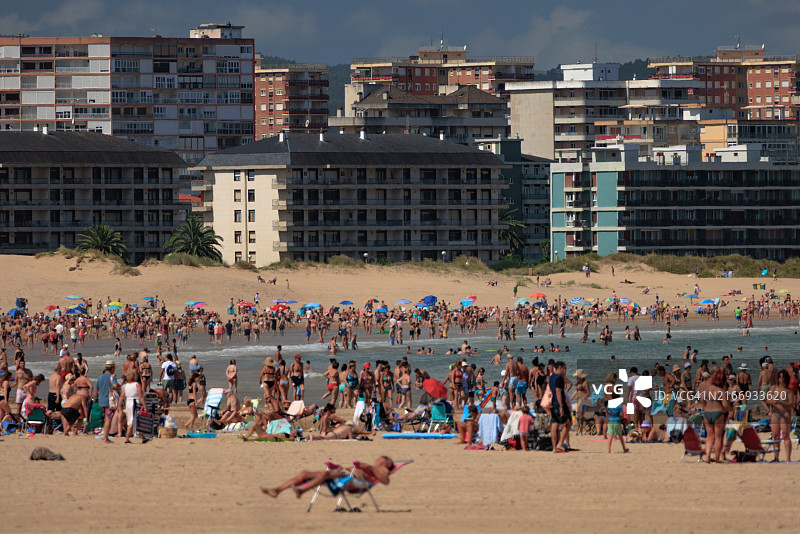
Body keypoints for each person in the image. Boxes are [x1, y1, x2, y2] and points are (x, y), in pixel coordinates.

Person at [260, 456, 394, 499]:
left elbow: (386, 481)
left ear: (387, 463)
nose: (377, 459)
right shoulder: (375, 466)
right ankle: (276, 490)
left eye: (381, 459)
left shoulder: (381, 469)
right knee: (304, 474)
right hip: (344, 474)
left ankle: (302, 491)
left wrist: (369, 467)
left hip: (356, 482)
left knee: (324, 475)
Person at [93, 360, 119, 443]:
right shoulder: (112, 376)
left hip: (101, 400)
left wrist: (94, 398)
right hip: (109, 400)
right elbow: (115, 385)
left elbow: (96, 390)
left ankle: (105, 436)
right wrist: (119, 386)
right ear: (112, 368)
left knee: (106, 419)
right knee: (108, 419)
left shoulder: (100, 377)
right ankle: (105, 438)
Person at [119, 371, 148, 444]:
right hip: (135, 403)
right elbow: (141, 396)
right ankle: (127, 438)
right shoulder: (137, 385)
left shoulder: (126, 386)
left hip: (128, 403)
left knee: (132, 420)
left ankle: (142, 436)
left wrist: (119, 405)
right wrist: (144, 406)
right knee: (133, 421)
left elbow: (122, 396)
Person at [549, 361, 570, 453]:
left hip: (552, 402)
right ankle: (560, 443)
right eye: (564, 368)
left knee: (554, 424)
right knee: (568, 422)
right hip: (559, 403)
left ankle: (554, 448)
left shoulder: (551, 377)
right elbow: (558, 392)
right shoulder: (560, 378)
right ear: (560, 368)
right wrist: (561, 406)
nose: (565, 371)